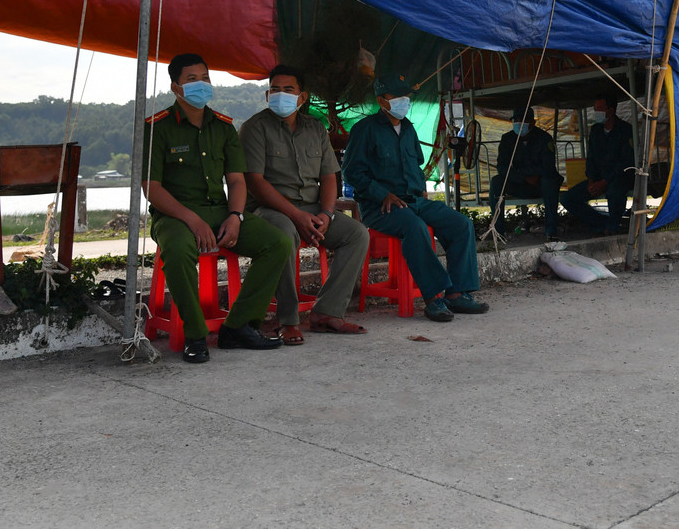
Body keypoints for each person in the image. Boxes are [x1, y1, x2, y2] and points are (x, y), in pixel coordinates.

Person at [143, 53, 293, 363]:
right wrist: (192, 220)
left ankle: (238, 326)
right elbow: (152, 188)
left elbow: (237, 182)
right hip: (175, 216)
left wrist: (236, 217)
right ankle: (195, 335)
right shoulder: (158, 127)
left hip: (220, 211)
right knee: (176, 249)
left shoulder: (224, 128)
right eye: (192, 80)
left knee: (277, 242)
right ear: (176, 87)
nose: (201, 85)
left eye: (205, 78)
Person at [239, 64, 371, 345]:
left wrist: (325, 213)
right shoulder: (254, 127)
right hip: (271, 210)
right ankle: (287, 321)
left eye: (289, 90)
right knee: (283, 235)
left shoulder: (316, 129)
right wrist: (297, 215)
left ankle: (326, 313)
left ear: (302, 97)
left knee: (356, 233)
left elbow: (329, 177)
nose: (281, 95)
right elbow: (256, 183)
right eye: (275, 89)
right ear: (266, 94)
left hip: (312, 209)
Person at [342, 73, 490, 322]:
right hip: (379, 207)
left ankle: (456, 294)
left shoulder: (408, 128)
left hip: (414, 201)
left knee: (461, 224)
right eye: (398, 96)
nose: (405, 101)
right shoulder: (364, 130)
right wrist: (382, 194)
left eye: (407, 96)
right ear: (382, 101)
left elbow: (417, 166)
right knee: (416, 228)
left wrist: (422, 189)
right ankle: (433, 299)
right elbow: (352, 172)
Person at [559, 93, 634, 235]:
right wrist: (592, 181)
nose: (596, 113)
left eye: (600, 109)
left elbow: (626, 163)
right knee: (568, 198)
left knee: (615, 192)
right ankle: (601, 222)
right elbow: (591, 158)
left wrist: (604, 182)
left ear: (611, 110)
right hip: (598, 178)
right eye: (595, 109)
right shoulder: (596, 130)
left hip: (618, 178)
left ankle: (613, 226)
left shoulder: (625, 130)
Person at [488, 106, 563, 240]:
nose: (519, 124)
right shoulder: (508, 139)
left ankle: (551, 230)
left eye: (522, 120)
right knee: (497, 182)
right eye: (516, 121)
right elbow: (502, 167)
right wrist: (523, 177)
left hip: (540, 184)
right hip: (520, 183)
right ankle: (497, 231)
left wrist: (532, 175)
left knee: (550, 181)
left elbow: (548, 166)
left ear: (532, 123)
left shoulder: (544, 138)